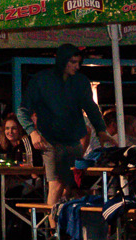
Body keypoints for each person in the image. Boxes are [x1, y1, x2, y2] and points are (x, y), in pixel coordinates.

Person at [20, 44, 104, 220]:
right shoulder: (42, 80)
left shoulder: (80, 81)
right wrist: (32, 132)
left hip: (74, 141)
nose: (77, 66)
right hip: (51, 140)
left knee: (70, 186)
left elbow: (91, 107)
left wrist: (102, 131)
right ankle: (54, 235)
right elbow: (22, 110)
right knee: (56, 185)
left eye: (79, 62)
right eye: (73, 62)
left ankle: (66, 228)